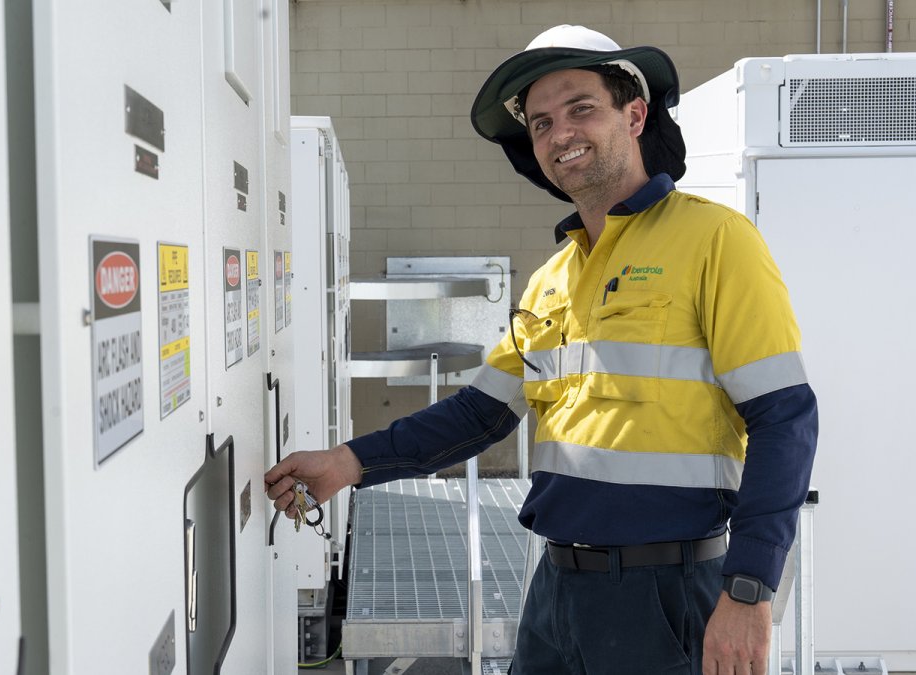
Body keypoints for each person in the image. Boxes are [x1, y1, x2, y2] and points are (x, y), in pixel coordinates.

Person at [265, 25, 817, 675]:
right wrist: (348, 462)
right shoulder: (555, 278)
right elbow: (479, 415)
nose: (560, 133)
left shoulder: (716, 240)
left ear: (635, 114)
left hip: (666, 597)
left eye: (582, 107)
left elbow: (784, 417)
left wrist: (748, 590)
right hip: (555, 593)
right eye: (541, 122)